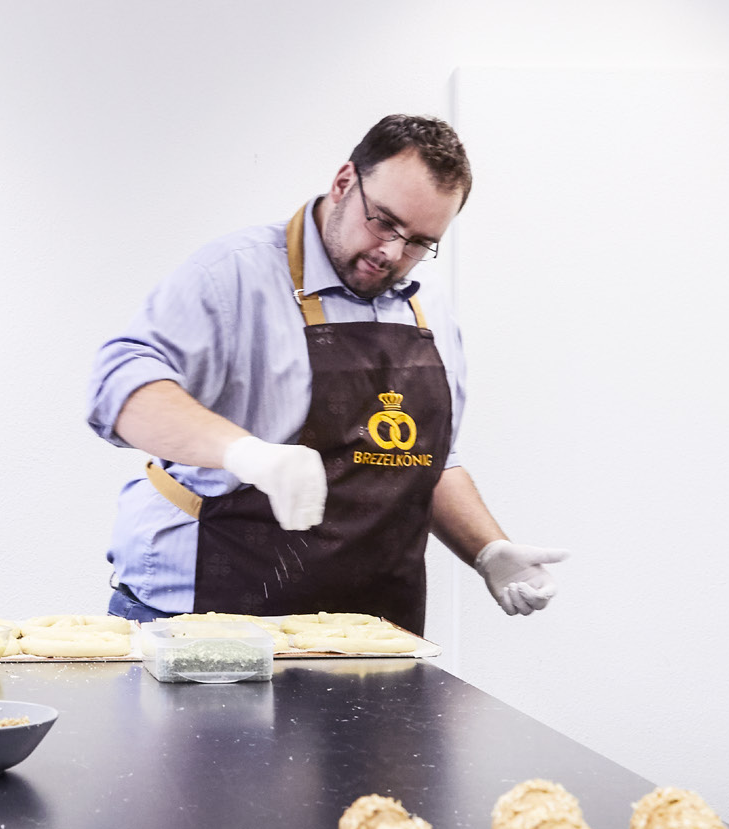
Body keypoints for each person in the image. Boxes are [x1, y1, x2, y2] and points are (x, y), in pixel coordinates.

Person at [86, 114, 568, 632]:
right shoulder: (233, 275)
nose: (390, 253)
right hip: (205, 615)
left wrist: (487, 549)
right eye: (383, 221)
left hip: (368, 631)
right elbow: (119, 387)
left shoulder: (430, 313)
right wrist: (247, 454)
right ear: (343, 183)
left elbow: (427, 464)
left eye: (418, 242)